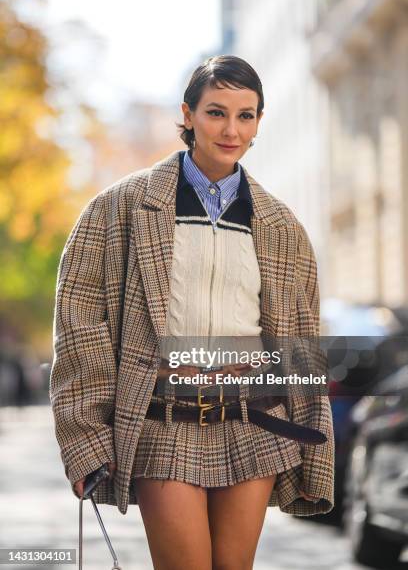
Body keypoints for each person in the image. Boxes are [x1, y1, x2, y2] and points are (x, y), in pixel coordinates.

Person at [50, 55, 334, 570]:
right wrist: (85, 439)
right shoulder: (120, 208)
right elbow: (80, 329)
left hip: (256, 423)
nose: (231, 129)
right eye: (216, 112)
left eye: (246, 116)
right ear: (188, 115)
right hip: (164, 421)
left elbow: (299, 345)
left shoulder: (281, 226)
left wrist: (314, 438)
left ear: (259, 123)